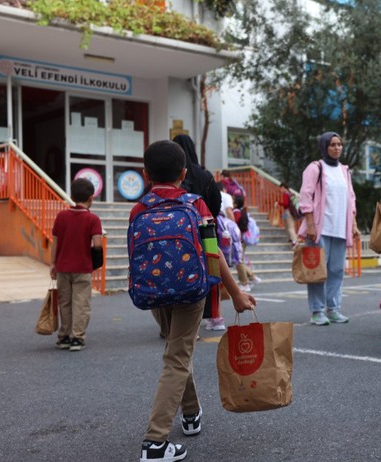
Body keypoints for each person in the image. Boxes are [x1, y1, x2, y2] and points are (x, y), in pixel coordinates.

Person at [132, 140, 256, 461]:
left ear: (146, 174)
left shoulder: (139, 209)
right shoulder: (196, 204)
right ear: (184, 173)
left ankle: (190, 413)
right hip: (191, 289)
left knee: (176, 348)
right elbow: (213, 255)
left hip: (154, 290)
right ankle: (155, 442)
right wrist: (235, 293)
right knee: (177, 356)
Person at [298, 131, 359, 326]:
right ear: (324, 147)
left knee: (336, 270)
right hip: (320, 228)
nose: (337, 148)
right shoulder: (316, 168)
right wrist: (310, 224)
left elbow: (351, 199)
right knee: (317, 270)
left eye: (339, 144)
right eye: (332, 144)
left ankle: (333, 309)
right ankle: (317, 310)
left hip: (340, 228)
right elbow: (305, 197)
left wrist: (354, 225)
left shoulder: (344, 171)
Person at [172, 134, 225, 333]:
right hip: (206, 232)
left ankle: (183, 319)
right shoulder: (205, 175)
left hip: (181, 233)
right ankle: (216, 317)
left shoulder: (175, 177)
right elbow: (216, 203)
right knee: (212, 270)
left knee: (182, 271)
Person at [50, 178, 103, 352]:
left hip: (63, 267)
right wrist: (96, 260)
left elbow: (55, 243)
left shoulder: (61, 216)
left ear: (72, 196)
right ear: (91, 198)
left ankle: (64, 336)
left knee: (64, 302)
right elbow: (97, 244)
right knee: (81, 303)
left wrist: (53, 264)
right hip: (83, 267)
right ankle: (77, 338)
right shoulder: (93, 219)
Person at [232, 194, 262, 292]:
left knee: (239, 262)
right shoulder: (243, 211)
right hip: (243, 240)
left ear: (235, 204)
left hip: (239, 240)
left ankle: (244, 283)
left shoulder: (236, 213)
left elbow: (233, 225)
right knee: (240, 261)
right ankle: (252, 277)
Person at [277, 182, 298, 247]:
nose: (280, 190)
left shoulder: (285, 194)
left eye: (281, 188)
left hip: (287, 212)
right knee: (287, 225)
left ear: (284, 188)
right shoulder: (291, 194)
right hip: (288, 211)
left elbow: (285, 204)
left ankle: (294, 241)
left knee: (289, 227)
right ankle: (290, 239)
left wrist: (278, 203)